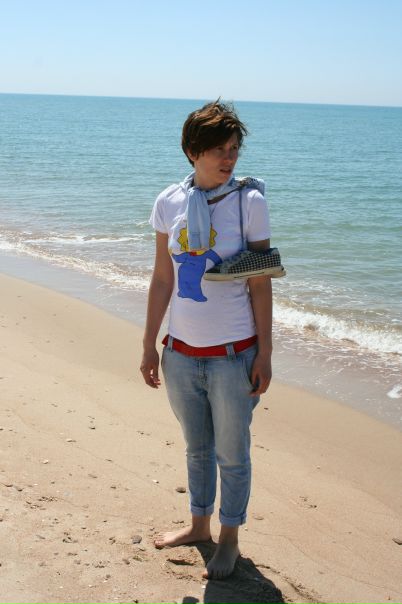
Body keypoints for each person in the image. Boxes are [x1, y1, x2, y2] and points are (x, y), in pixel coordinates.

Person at [140, 100, 273, 580]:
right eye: (219, 149)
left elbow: (261, 280)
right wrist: (149, 344)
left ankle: (229, 538)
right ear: (193, 151)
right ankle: (199, 526)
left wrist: (265, 353)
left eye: (234, 149)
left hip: (233, 355)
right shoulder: (168, 201)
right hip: (180, 353)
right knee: (196, 449)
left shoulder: (249, 201)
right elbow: (163, 278)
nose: (229, 158)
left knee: (232, 454)